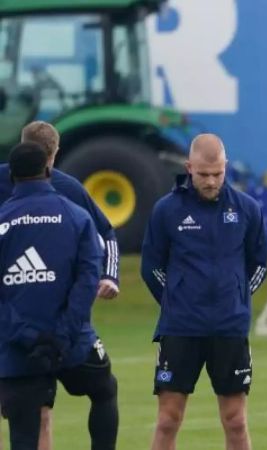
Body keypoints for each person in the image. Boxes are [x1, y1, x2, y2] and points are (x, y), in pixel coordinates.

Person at [141, 133, 267, 450]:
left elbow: (259, 265)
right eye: (203, 175)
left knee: (236, 421)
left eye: (217, 174)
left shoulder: (247, 210)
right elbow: (151, 267)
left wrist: (237, 298)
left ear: (225, 168)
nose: (211, 182)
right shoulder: (166, 210)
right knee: (169, 419)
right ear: (189, 167)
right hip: (181, 329)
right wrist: (176, 302)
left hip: (229, 327)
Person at [0, 121, 120, 450]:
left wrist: (24, 334)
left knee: (25, 420)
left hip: (16, 338)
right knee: (103, 390)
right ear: (51, 158)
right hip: (69, 336)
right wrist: (64, 333)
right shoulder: (72, 208)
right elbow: (90, 266)